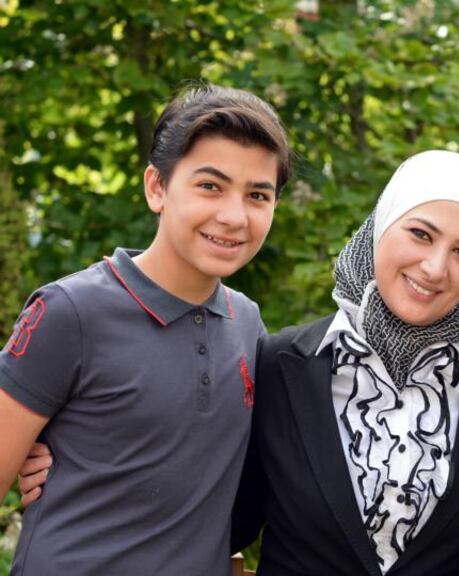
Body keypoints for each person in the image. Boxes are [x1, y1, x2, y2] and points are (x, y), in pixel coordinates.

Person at [0, 84, 292, 574]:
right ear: (157, 187)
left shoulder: (248, 323)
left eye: (257, 195)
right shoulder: (71, 311)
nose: (233, 216)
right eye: (210, 186)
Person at [230, 150, 459, 575]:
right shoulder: (280, 365)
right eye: (421, 234)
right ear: (380, 227)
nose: (436, 267)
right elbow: (224, 522)